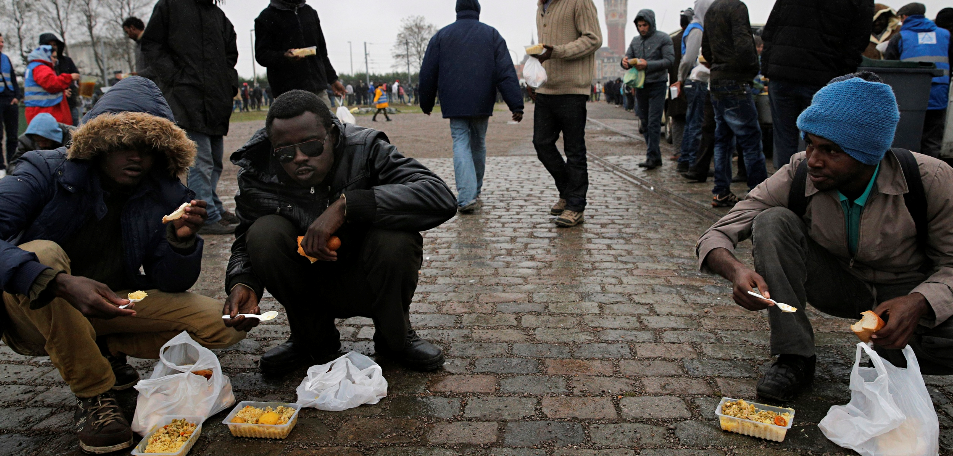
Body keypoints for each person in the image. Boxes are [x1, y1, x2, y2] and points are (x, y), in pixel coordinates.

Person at [0, 77, 247, 454]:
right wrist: (60, 283)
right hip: (31, 308)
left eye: (148, 148)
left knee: (224, 327)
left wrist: (179, 242)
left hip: (111, 303)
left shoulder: (161, 193)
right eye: (124, 144)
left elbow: (170, 282)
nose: (137, 157)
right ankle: (95, 395)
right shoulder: (43, 169)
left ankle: (105, 348)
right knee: (43, 252)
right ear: (98, 142)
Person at [697, 72, 953, 404]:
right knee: (772, 221)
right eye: (810, 143)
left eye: (831, 150)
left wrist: (919, 303)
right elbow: (716, 234)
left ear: (868, 154)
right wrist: (735, 271)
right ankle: (795, 357)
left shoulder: (931, 180)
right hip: (839, 285)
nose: (814, 159)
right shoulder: (798, 172)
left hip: (904, 291)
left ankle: (893, 354)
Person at [225, 90, 456, 375]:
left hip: (368, 274)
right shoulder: (257, 170)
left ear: (332, 135)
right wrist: (243, 282)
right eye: (285, 151)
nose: (298, 158)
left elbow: (439, 196)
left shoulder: (366, 148)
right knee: (262, 233)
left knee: (397, 238)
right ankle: (311, 339)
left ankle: (395, 337)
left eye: (310, 147)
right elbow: (244, 237)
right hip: (307, 281)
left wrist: (348, 206)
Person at [141, 0, 242, 235]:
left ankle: (212, 206)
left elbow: (230, 54)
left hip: (216, 98)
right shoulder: (170, 6)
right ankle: (204, 215)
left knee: (215, 160)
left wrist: (229, 82)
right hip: (186, 96)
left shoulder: (218, 15)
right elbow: (151, 45)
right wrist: (175, 77)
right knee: (201, 161)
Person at [419, 0, 524, 213]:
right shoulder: (492, 35)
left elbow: (428, 72)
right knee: (478, 143)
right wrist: (516, 104)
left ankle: (466, 197)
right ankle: (474, 189)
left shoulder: (441, 36)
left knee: (460, 142)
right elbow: (505, 72)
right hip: (482, 98)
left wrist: (426, 101)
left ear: (457, 10)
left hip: (454, 100)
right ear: (477, 10)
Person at [761, 0, 873, 169]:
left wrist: (768, 68)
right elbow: (858, 39)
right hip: (823, 75)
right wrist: (842, 75)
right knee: (823, 140)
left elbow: (770, 29)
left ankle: (787, 187)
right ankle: (815, 189)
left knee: (784, 139)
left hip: (783, 71)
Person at [530, 0, 603, 227]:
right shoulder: (542, 7)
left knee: (574, 150)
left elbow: (593, 39)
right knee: (542, 144)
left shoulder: (579, 2)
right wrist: (533, 79)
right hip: (546, 87)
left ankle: (575, 206)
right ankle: (567, 191)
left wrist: (557, 51)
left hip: (572, 89)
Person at [702, 0, 768, 207]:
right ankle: (759, 193)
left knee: (723, 139)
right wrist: (751, 70)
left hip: (718, 79)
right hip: (736, 81)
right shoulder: (737, 7)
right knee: (750, 139)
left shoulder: (711, 9)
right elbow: (743, 45)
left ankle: (721, 191)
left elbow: (706, 49)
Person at [884, 3, 951, 157]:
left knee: (907, 140)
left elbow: (889, 68)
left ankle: (908, 173)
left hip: (909, 96)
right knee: (933, 140)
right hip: (938, 94)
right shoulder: (945, 35)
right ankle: (933, 176)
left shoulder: (900, 37)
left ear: (905, 17)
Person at [254, 0, 346, 106]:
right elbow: (261, 54)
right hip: (288, 94)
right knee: (294, 123)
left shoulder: (310, 13)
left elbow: (322, 53)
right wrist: (284, 56)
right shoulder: (266, 17)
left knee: (324, 122)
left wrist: (333, 80)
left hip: (318, 91)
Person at [621, 9, 674, 171]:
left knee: (653, 122)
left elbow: (669, 60)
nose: (642, 28)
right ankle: (655, 156)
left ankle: (652, 156)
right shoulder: (635, 41)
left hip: (657, 84)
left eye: (645, 25)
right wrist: (624, 62)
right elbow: (627, 58)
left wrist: (648, 65)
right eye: (639, 25)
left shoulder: (663, 38)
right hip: (640, 86)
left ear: (651, 24)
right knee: (644, 122)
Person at [677, 0, 714, 176]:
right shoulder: (698, 29)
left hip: (692, 81)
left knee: (691, 121)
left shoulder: (693, 27)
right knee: (696, 123)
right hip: (697, 80)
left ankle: (685, 160)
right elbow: (689, 59)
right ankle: (693, 162)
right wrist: (681, 78)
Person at [24, 45, 78, 126]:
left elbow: (43, 90)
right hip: (45, 112)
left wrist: (61, 93)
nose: (56, 60)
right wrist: (69, 77)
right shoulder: (41, 68)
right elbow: (51, 83)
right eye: (54, 57)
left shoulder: (34, 66)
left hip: (40, 111)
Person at [8, 112, 74, 174]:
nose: (41, 144)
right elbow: (14, 165)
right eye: (38, 141)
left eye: (45, 141)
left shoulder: (72, 137)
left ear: (53, 137)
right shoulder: (25, 141)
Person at [39, 33, 81, 127]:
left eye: (54, 45)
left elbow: (77, 76)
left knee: (74, 128)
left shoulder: (66, 61)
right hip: (54, 105)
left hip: (70, 102)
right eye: (49, 45)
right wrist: (62, 91)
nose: (53, 47)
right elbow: (49, 83)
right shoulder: (41, 65)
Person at [0, 33, 19, 178]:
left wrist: (16, 97)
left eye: (2, 42)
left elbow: (13, 78)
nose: (1, 44)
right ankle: (1, 166)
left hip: (9, 99)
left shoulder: (6, 59)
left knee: (12, 135)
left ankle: (12, 164)